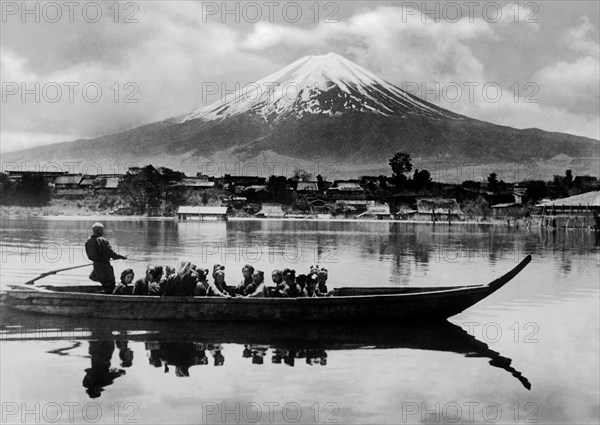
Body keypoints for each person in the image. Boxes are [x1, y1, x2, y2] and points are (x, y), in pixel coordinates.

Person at [85, 223, 127, 294]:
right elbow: (112, 254)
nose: (103, 232)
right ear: (99, 231)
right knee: (110, 286)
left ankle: (100, 294)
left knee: (105, 284)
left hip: (96, 267)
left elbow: (90, 256)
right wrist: (121, 256)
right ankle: (105, 298)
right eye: (102, 230)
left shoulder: (88, 241)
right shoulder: (102, 240)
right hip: (105, 267)